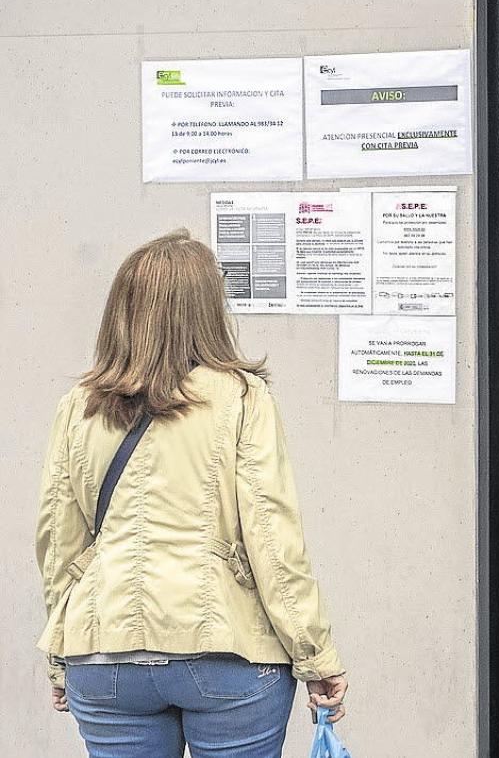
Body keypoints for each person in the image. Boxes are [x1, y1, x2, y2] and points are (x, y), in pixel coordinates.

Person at [35, 230, 348, 758]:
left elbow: (58, 546)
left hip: (104, 656)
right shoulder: (243, 398)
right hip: (225, 654)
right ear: (208, 310)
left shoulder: (79, 405)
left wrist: (62, 656)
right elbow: (273, 543)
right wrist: (314, 655)